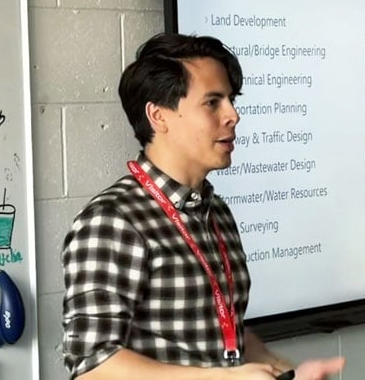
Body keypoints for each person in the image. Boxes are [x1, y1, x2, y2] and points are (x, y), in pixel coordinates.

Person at [62, 33, 345, 380]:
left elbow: (223, 333)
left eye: (231, 99)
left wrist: (289, 373)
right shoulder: (114, 221)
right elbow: (93, 365)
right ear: (158, 116)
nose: (233, 115)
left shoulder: (216, 212)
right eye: (213, 102)